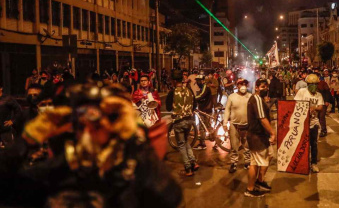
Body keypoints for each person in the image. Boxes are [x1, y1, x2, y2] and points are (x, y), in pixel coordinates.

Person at [0, 83, 183, 207]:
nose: (89, 131)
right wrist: (26, 140)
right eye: (81, 123)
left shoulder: (130, 167)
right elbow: (8, 188)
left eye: (98, 122)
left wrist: (134, 141)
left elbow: (169, 197)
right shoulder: (64, 167)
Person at [245, 79, 275, 198]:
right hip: (257, 136)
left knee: (269, 156)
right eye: (262, 87)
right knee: (255, 163)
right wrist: (272, 133)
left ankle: (260, 181)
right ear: (256, 87)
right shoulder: (256, 99)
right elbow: (262, 118)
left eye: (266, 87)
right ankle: (250, 189)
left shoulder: (260, 100)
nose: (265, 89)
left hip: (261, 136)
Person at [167, 78, 200, 177]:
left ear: (173, 81)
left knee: (181, 145)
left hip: (179, 121)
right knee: (186, 141)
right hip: (189, 120)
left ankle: (188, 168)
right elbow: (194, 105)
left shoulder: (172, 92)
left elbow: (168, 107)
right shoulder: (189, 91)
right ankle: (193, 162)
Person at [294, 74, 325, 173]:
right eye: (312, 84)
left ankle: (313, 163)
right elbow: (296, 104)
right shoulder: (302, 92)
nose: (314, 86)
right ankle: (302, 161)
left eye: (315, 84)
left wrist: (314, 108)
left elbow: (320, 107)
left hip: (313, 122)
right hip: (302, 122)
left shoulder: (318, 95)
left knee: (314, 143)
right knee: (302, 143)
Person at [223, 79, 251, 173]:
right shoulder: (232, 97)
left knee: (247, 146)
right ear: (237, 86)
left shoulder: (250, 97)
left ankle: (247, 162)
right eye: (240, 84)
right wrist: (225, 122)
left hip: (247, 125)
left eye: (244, 84)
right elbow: (227, 110)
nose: (243, 86)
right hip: (234, 125)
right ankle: (234, 163)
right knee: (234, 146)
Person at [193, 75, 212, 150]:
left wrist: (193, 99)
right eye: (197, 81)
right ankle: (216, 141)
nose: (197, 83)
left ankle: (202, 144)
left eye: (198, 81)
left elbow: (201, 96)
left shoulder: (205, 87)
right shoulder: (203, 87)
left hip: (205, 109)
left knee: (202, 127)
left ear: (202, 81)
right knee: (207, 126)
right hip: (205, 108)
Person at [0, 84, 22, 148]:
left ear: (1, 88)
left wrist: (12, 121)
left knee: (9, 150)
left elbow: (18, 110)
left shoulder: (7, 98)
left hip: (4, 129)